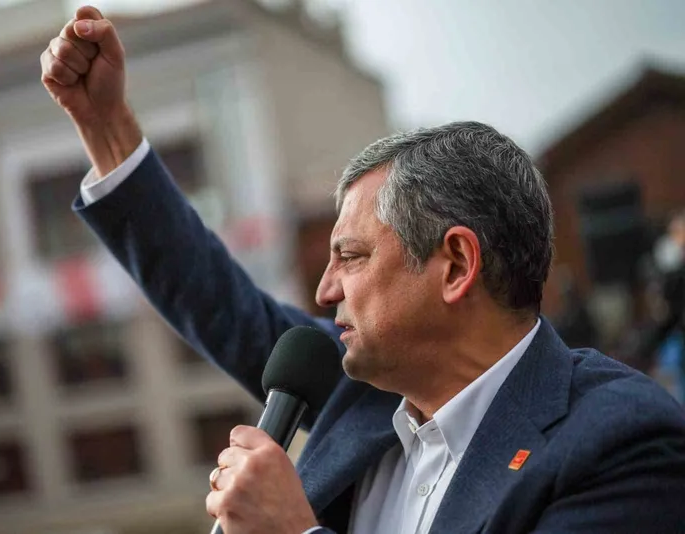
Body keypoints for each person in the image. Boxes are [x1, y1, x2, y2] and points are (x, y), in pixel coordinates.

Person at [40, 6, 685, 533]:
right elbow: (215, 300)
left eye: (349, 256)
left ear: (456, 265)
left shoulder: (618, 441)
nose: (325, 291)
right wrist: (107, 127)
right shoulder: (361, 391)